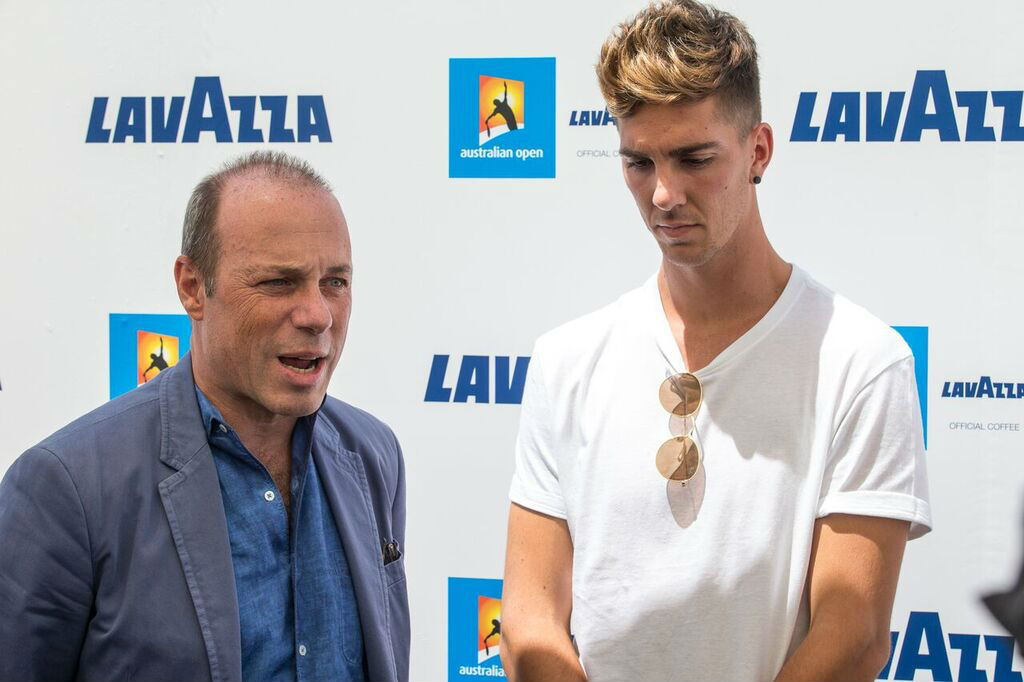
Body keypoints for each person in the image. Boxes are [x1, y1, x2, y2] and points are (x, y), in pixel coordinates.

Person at [499, 2, 931, 681]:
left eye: (694, 159)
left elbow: (855, 635)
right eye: (638, 162)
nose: (663, 193)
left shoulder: (860, 361)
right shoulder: (567, 361)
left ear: (758, 150)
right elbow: (528, 620)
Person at [0, 151, 409, 682]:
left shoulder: (373, 454)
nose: (318, 315)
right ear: (193, 287)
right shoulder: (66, 488)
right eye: (278, 282)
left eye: (335, 281)